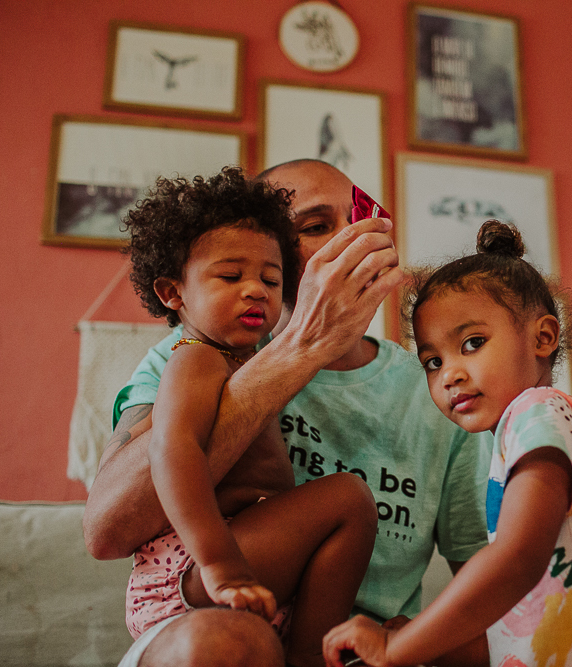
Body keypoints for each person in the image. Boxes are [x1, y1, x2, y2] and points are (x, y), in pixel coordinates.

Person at [82, 160, 491, 667]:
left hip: (348, 638)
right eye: (317, 227)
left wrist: (419, 638)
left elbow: (490, 574)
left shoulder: (438, 386)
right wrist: (300, 351)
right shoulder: (194, 351)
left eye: (362, 216)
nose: (353, 238)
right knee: (234, 644)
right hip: (201, 617)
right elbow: (106, 530)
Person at [323, 221, 572, 667]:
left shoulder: (540, 411)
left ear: (543, 337)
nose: (449, 375)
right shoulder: (515, 437)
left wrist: (399, 646)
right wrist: (425, 640)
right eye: (432, 361)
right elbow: (524, 620)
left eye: (472, 343)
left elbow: (516, 558)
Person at [118, 167, 377, 667]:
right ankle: (309, 655)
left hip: (245, 562)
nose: (256, 290)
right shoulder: (194, 358)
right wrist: (220, 564)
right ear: (173, 293)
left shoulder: (245, 361)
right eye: (231, 276)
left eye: (270, 278)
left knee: (349, 502)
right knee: (349, 498)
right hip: (196, 567)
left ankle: (308, 650)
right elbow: (172, 451)